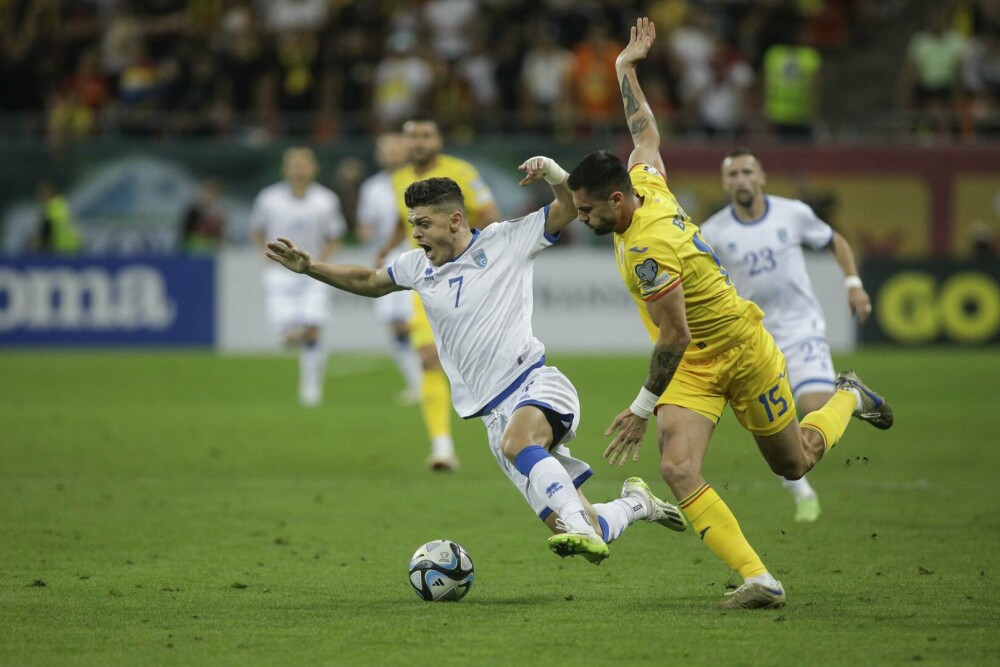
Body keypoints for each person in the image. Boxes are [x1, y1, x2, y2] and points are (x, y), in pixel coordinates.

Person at [566, 17, 893, 609]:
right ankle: (760, 579)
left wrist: (642, 409)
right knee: (678, 466)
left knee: (795, 464)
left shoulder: (648, 249)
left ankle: (849, 396)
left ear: (617, 201)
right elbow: (644, 136)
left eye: (586, 210)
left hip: (741, 350)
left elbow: (673, 333)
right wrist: (624, 71)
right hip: (695, 366)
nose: (581, 221)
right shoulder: (646, 184)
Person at [265, 159, 688, 566]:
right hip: (491, 417)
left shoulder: (507, 240)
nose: (415, 234)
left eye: (423, 224)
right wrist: (310, 268)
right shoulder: (417, 266)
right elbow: (371, 281)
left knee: (523, 448)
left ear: (454, 221)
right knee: (590, 525)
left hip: (534, 385)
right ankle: (635, 504)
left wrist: (556, 173)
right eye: (412, 224)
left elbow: (564, 208)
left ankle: (578, 524)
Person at [698, 148, 873, 523]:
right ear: (725, 183)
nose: (741, 180)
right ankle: (801, 489)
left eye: (747, 172)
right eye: (733, 175)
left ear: (761, 176)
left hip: (800, 326)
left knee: (815, 407)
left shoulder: (792, 213)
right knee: (776, 424)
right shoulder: (713, 232)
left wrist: (853, 284)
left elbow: (835, 242)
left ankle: (851, 397)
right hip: (753, 338)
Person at [375, 116, 502, 472]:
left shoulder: (462, 172)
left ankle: (510, 431)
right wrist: (385, 249)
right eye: (412, 136)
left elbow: (492, 218)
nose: (418, 142)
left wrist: (486, 264)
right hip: (429, 278)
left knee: (483, 361)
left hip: (470, 279)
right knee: (428, 357)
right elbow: (406, 224)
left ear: (438, 138)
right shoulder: (399, 179)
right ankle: (442, 446)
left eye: (425, 135)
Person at [250, 147, 346, 407]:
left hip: (313, 272)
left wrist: (318, 262)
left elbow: (335, 236)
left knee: (313, 328)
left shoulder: (326, 200)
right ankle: (292, 334)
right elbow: (256, 229)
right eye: (294, 164)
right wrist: (263, 250)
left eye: (304, 164)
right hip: (279, 274)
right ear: (286, 169)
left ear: (314, 168)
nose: (299, 169)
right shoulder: (268, 198)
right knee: (289, 333)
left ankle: (311, 387)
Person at [356, 132, 422, 405]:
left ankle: (439, 379)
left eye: (397, 147)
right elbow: (364, 226)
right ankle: (417, 383)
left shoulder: (417, 180)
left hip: (419, 255)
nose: (392, 153)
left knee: (417, 322)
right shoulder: (371, 188)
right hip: (387, 258)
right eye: (386, 148)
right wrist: (365, 232)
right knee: (395, 325)